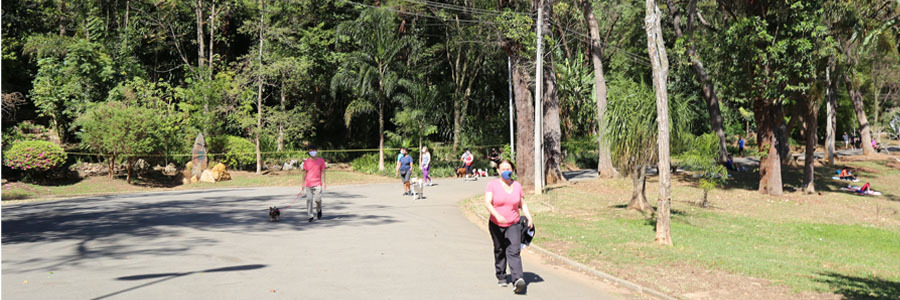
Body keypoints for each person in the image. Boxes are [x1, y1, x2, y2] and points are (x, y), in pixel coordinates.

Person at [484, 160, 533, 294]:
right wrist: (497, 215)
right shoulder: (492, 185)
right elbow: (487, 203)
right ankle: (501, 275)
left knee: (514, 250)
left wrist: (529, 216)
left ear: (512, 170)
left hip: (513, 223)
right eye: (503, 168)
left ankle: (518, 280)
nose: (506, 171)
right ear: (499, 171)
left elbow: (522, 203)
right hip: (496, 224)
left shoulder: (517, 186)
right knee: (499, 249)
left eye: (508, 168)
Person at [300, 145, 326, 222]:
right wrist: (302, 183)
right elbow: (304, 173)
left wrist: (324, 182)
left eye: (314, 150)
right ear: (308, 152)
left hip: (318, 183)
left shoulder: (321, 160)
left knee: (318, 199)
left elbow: (323, 171)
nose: (312, 152)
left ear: (316, 150)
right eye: (311, 150)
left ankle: (319, 210)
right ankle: (310, 215)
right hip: (308, 184)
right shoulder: (306, 162)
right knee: (309, 200)